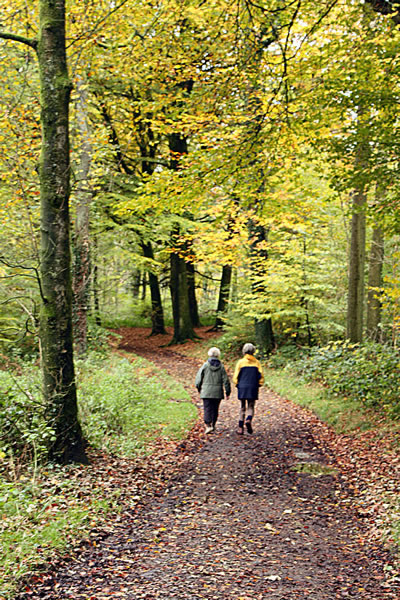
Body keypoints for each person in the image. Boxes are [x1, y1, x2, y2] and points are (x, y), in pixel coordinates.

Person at [195, 347, 231, 434]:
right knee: (215, 408)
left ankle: (208, 425)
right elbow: (226, 380)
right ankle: (213, 424)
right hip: (217, 392)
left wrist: (199, 388)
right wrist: (228, 391)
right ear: (218, 355)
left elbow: (198, 379)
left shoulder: (205, 365)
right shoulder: (221, 367)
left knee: (207, 408)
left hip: (206, 391)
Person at [233, 342, 264, 435]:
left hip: (242, 386)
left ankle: (240, 428)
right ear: (253, 351)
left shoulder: (240, 362)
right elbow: (261, 376)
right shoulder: (257, 363)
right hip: (253, 386)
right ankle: (249, 420)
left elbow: (235, 376)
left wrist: (237, 384)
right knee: (251, 405)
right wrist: (260, 384)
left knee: (242, 407)